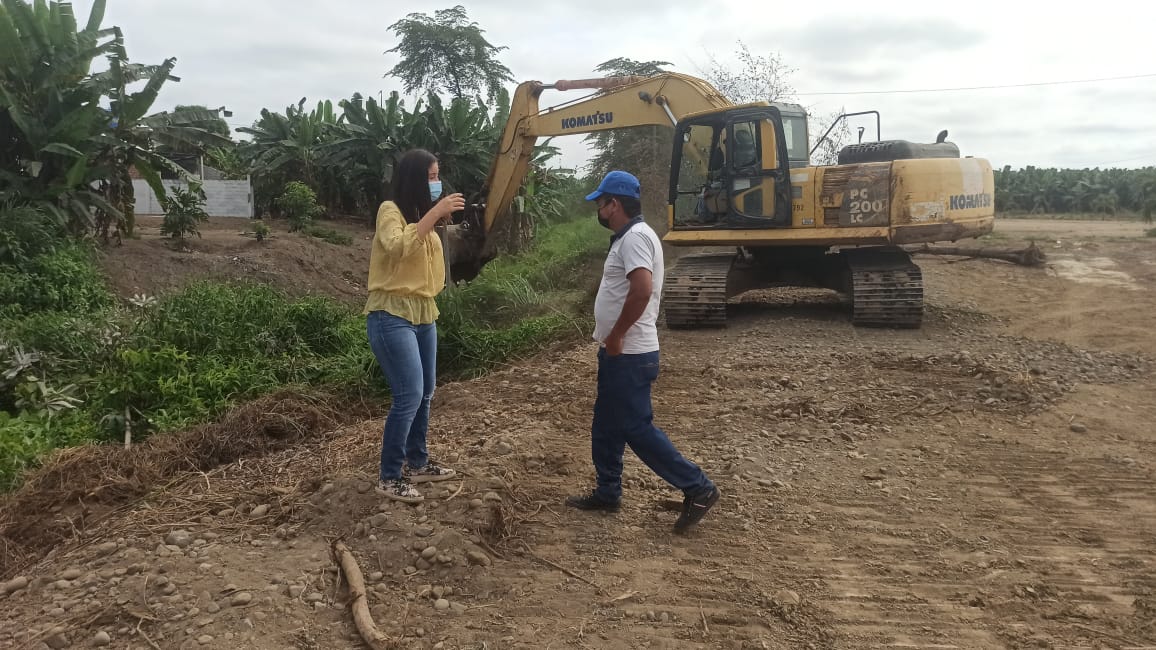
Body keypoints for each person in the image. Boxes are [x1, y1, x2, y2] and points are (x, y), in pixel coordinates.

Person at [565, 170, 721, 534]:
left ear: (614, 204)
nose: (598, 210)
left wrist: (617, 335)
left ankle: (697, 486)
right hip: (621, 351)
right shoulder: (629, 237)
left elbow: (642, 290)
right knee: (606, 424)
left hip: (630, 352)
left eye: (601, 203)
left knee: (635, 427)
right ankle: (607, 491)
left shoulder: (635, 238)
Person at [364, 148, 465, 504]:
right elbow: (397, 247)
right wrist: (435, 214)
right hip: (391, 314)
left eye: (438, 176)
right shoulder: (389, 211)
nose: (437, 183)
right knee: (408, 394)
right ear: (414, 179)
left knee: (425, 392)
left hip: (424, 312)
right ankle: (390, 476)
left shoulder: (422, 216)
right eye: (431, 176)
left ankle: (418, 462)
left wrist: (436, 217)